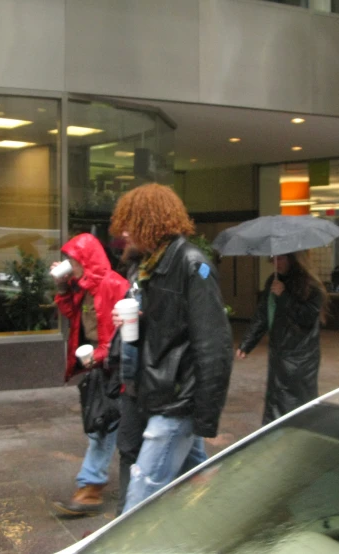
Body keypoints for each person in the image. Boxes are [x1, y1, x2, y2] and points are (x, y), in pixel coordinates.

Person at [109, 184, 233, 514]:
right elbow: (161, 333)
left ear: (151, 223)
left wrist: (203, 417)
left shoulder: (191, 265)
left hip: (177, 400)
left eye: (130, 222)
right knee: (199, 488)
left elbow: (214, 346)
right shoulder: (145, 266)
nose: (123, 232)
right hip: (157, 393)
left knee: (141, 496)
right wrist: (130, 325)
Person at [50, 233, 129, 517]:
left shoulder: (113, 285)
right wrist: (62, 286)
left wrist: (98, 355)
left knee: (103, 424)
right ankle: (193, 470)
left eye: (74, 260)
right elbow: (72, 313)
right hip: (99, 365)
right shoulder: (84, 286)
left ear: (86, 259)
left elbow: (121, 333)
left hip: (113, 365)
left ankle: (90, 487)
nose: (71, 265)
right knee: (112, 423)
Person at [236, 252, 328, 425]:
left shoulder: (309, 284)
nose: (276, 263)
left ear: (292, 258)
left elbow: (307, 317)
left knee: (298, 400)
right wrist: (247, 343)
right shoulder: (274, 281)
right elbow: (263, 314)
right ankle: (275, 430)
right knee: (276, 398)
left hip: (301, 356)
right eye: (274, 259)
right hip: (279, 352)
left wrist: (284, 296)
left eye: (281, 258)